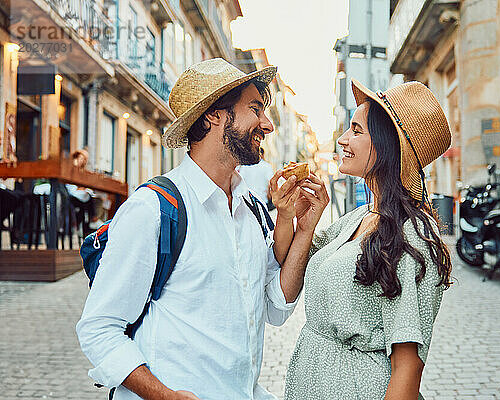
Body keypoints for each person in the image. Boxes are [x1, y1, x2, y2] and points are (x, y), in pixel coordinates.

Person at [76, 58, 329, 400]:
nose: (267, 125)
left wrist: (303, 229)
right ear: (214, 114)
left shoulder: (251, 209)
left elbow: (275, 307)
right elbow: (99, 329)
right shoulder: (152, 210)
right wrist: (165, 396)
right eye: (256, 109)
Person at [284, 80, 453, 400]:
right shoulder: (358, 217)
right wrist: (300, 221)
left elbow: (408, 366)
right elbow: (290, 272)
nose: (342, 139)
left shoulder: (412, 238)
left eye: (357, 130)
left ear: (388, 145)